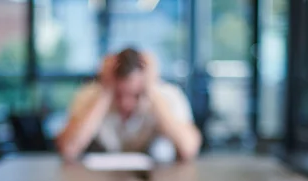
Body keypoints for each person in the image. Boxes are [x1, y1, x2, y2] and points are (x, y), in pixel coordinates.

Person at [57, 48, 202, 162]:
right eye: (119, 94)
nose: (126, 103)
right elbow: (68, 149)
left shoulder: (167, 95)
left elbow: (188, 149)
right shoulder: (91, 96)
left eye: (136, 95)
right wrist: (106, 93)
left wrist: (150, 91)